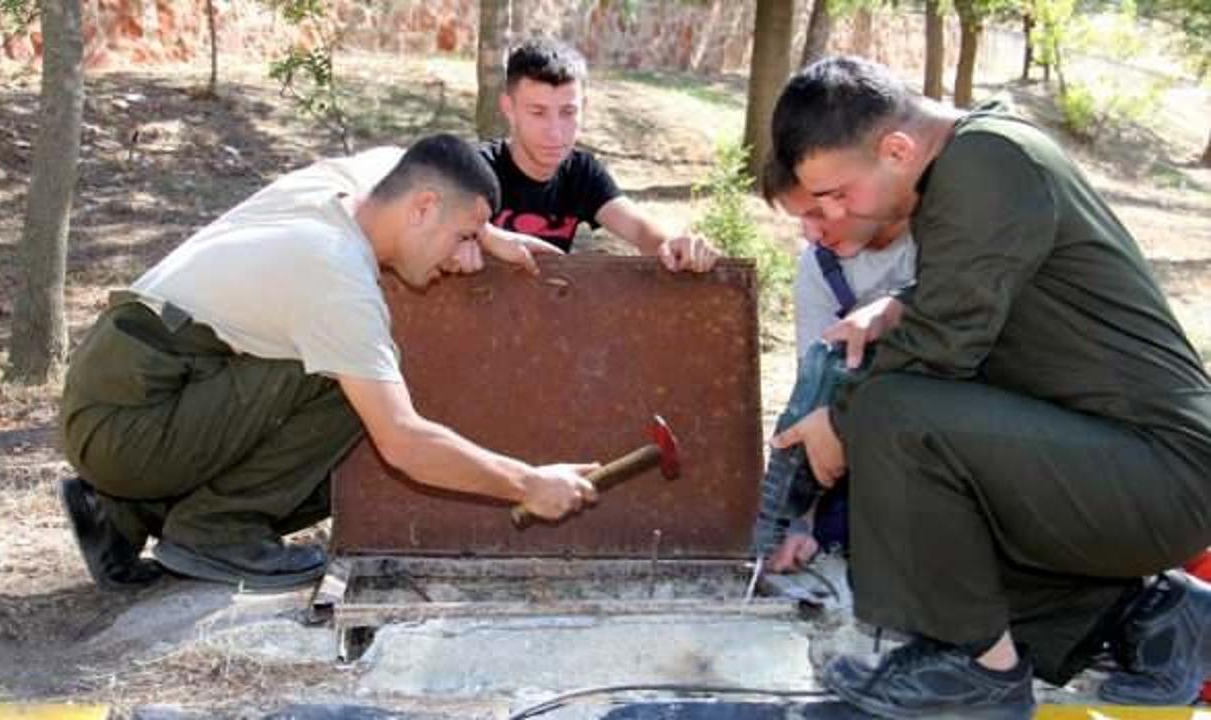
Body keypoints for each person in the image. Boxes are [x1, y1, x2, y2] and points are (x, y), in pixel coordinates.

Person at [769, 56, 1211, 717]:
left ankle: (977, 671)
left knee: (894, 412)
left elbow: (945, 347)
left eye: (837, 194)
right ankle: (1149, 612)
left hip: (1164, 471)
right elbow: (996, 279)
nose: (832, 214)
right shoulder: (982, 154)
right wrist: (902, 304)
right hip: (1130, 463)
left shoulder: (985, 163)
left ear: (896, 148)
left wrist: (841, 417)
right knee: (929, 526)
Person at [58, 134, 599, 591]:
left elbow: (415, 158)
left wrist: (488, 231)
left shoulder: (355, 185)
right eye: (461, 238)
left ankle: (121, 509)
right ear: (424, 208)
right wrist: (528, 483)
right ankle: (216, 532)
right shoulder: (337, 276)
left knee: (332, 422)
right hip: (128, 417)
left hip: (124, 391)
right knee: (350, 386)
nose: (462, 258)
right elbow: (406, 442)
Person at [447, 36, 721, 275]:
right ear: (509, 107)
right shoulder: (477, 168)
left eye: (568, 112)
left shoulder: (582, 173)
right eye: (538, 113)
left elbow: (640, 230)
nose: (555, 133)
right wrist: (462, 241)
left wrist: (675, 246)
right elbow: (418, 215)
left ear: (584, 108)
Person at [758, 168, 916, 573]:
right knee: (834, 534)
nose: (811, 233)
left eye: (817, 213)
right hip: (855, 435)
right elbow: (811, 396)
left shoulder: (932, 242)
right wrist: (798, 521)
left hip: (932, 428)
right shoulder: (818, 267)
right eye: (800, 220)